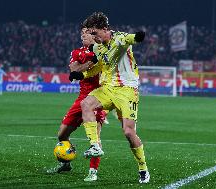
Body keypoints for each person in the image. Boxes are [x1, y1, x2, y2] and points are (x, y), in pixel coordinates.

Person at [70, 12, 150, 183]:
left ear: (105, 29)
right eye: (90, 34)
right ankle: (95, 146)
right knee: (86, 104)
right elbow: (99, 66)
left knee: (128, 132)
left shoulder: (120, 38)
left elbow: (132, 38)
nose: (93, 37)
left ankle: (143, 167)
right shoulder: (98, 47)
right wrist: (81, 75)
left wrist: (138, 37)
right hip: (107, 88)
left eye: (95, 33)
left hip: (127, 90)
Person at [46, 25, 106, 182]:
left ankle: (93, 171)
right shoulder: (76, 52)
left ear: (94, 35)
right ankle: (66, 164)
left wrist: (94, 58)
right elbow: (74, 71)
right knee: (62, 134)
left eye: (86, 33)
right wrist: (92, 61)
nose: (83, 35)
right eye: (82, 33)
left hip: (98, 97)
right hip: (81, 98)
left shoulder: (103, 50)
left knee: (96, 138)